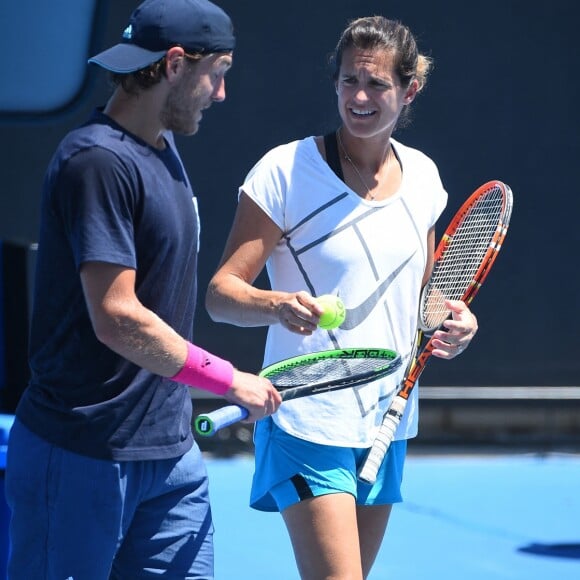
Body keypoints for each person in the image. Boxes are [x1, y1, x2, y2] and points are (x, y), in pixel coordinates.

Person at [4, 0, 281, 578]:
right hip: (81, 456)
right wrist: (229, 380)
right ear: (175, 64)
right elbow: (118, 317)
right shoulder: (97, 161)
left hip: (171, 456)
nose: (221, 92)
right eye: (219, 71)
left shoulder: (160, 146)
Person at [205, 15, 479, 580]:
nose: (360, 96)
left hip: (389, 418)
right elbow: (220, 295)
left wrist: (455, 324)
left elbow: (426, 301)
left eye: (377, 84)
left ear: (409, 90)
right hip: (304, 417)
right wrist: (276, 304)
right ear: (334, 83)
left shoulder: (424, 178)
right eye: (350, 80)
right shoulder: (283, 172)